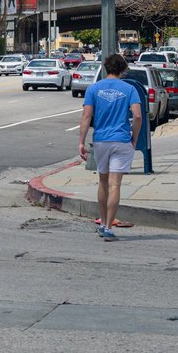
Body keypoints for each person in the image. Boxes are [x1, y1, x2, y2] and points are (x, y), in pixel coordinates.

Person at [77, 53, 142, 241]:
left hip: (101, 140)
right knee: (115, 184)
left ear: (106, 68)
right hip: (121, 140)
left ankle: (103, 221)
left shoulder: (93, 89)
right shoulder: (129, 89)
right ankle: (108, 227)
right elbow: (137, 116)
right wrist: (134, 139)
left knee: (103, 182)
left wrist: (81, 141)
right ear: (122, 70)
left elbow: (86, 117)